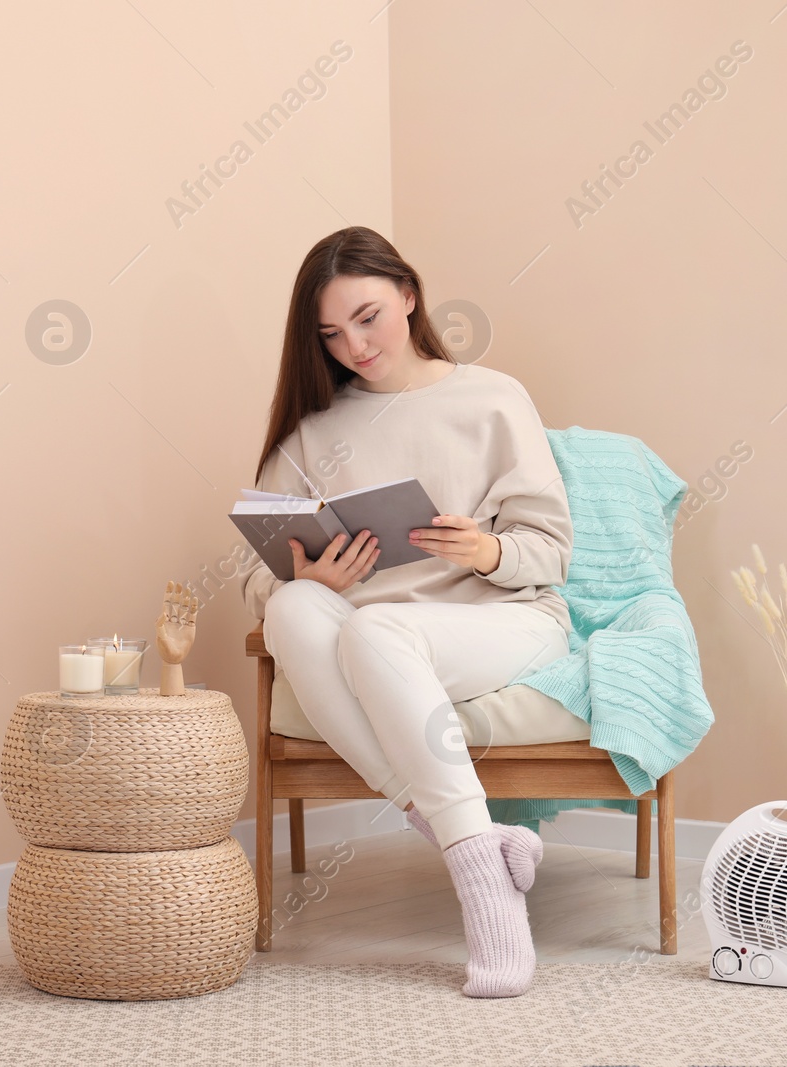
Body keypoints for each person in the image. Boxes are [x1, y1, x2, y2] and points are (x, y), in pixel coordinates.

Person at [235, 226, 574, 998]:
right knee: (293, 607)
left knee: (373, 627)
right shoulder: (314, 429)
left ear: (409, 294)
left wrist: (485, 551)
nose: (353, 345)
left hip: (503, 620)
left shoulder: (492, 397)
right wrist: (311, 575)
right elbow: (253, 581)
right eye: (330, 333)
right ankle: (484, 850)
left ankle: (487, 904)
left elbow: (551, 551)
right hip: (372, 639)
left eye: (367, 316)